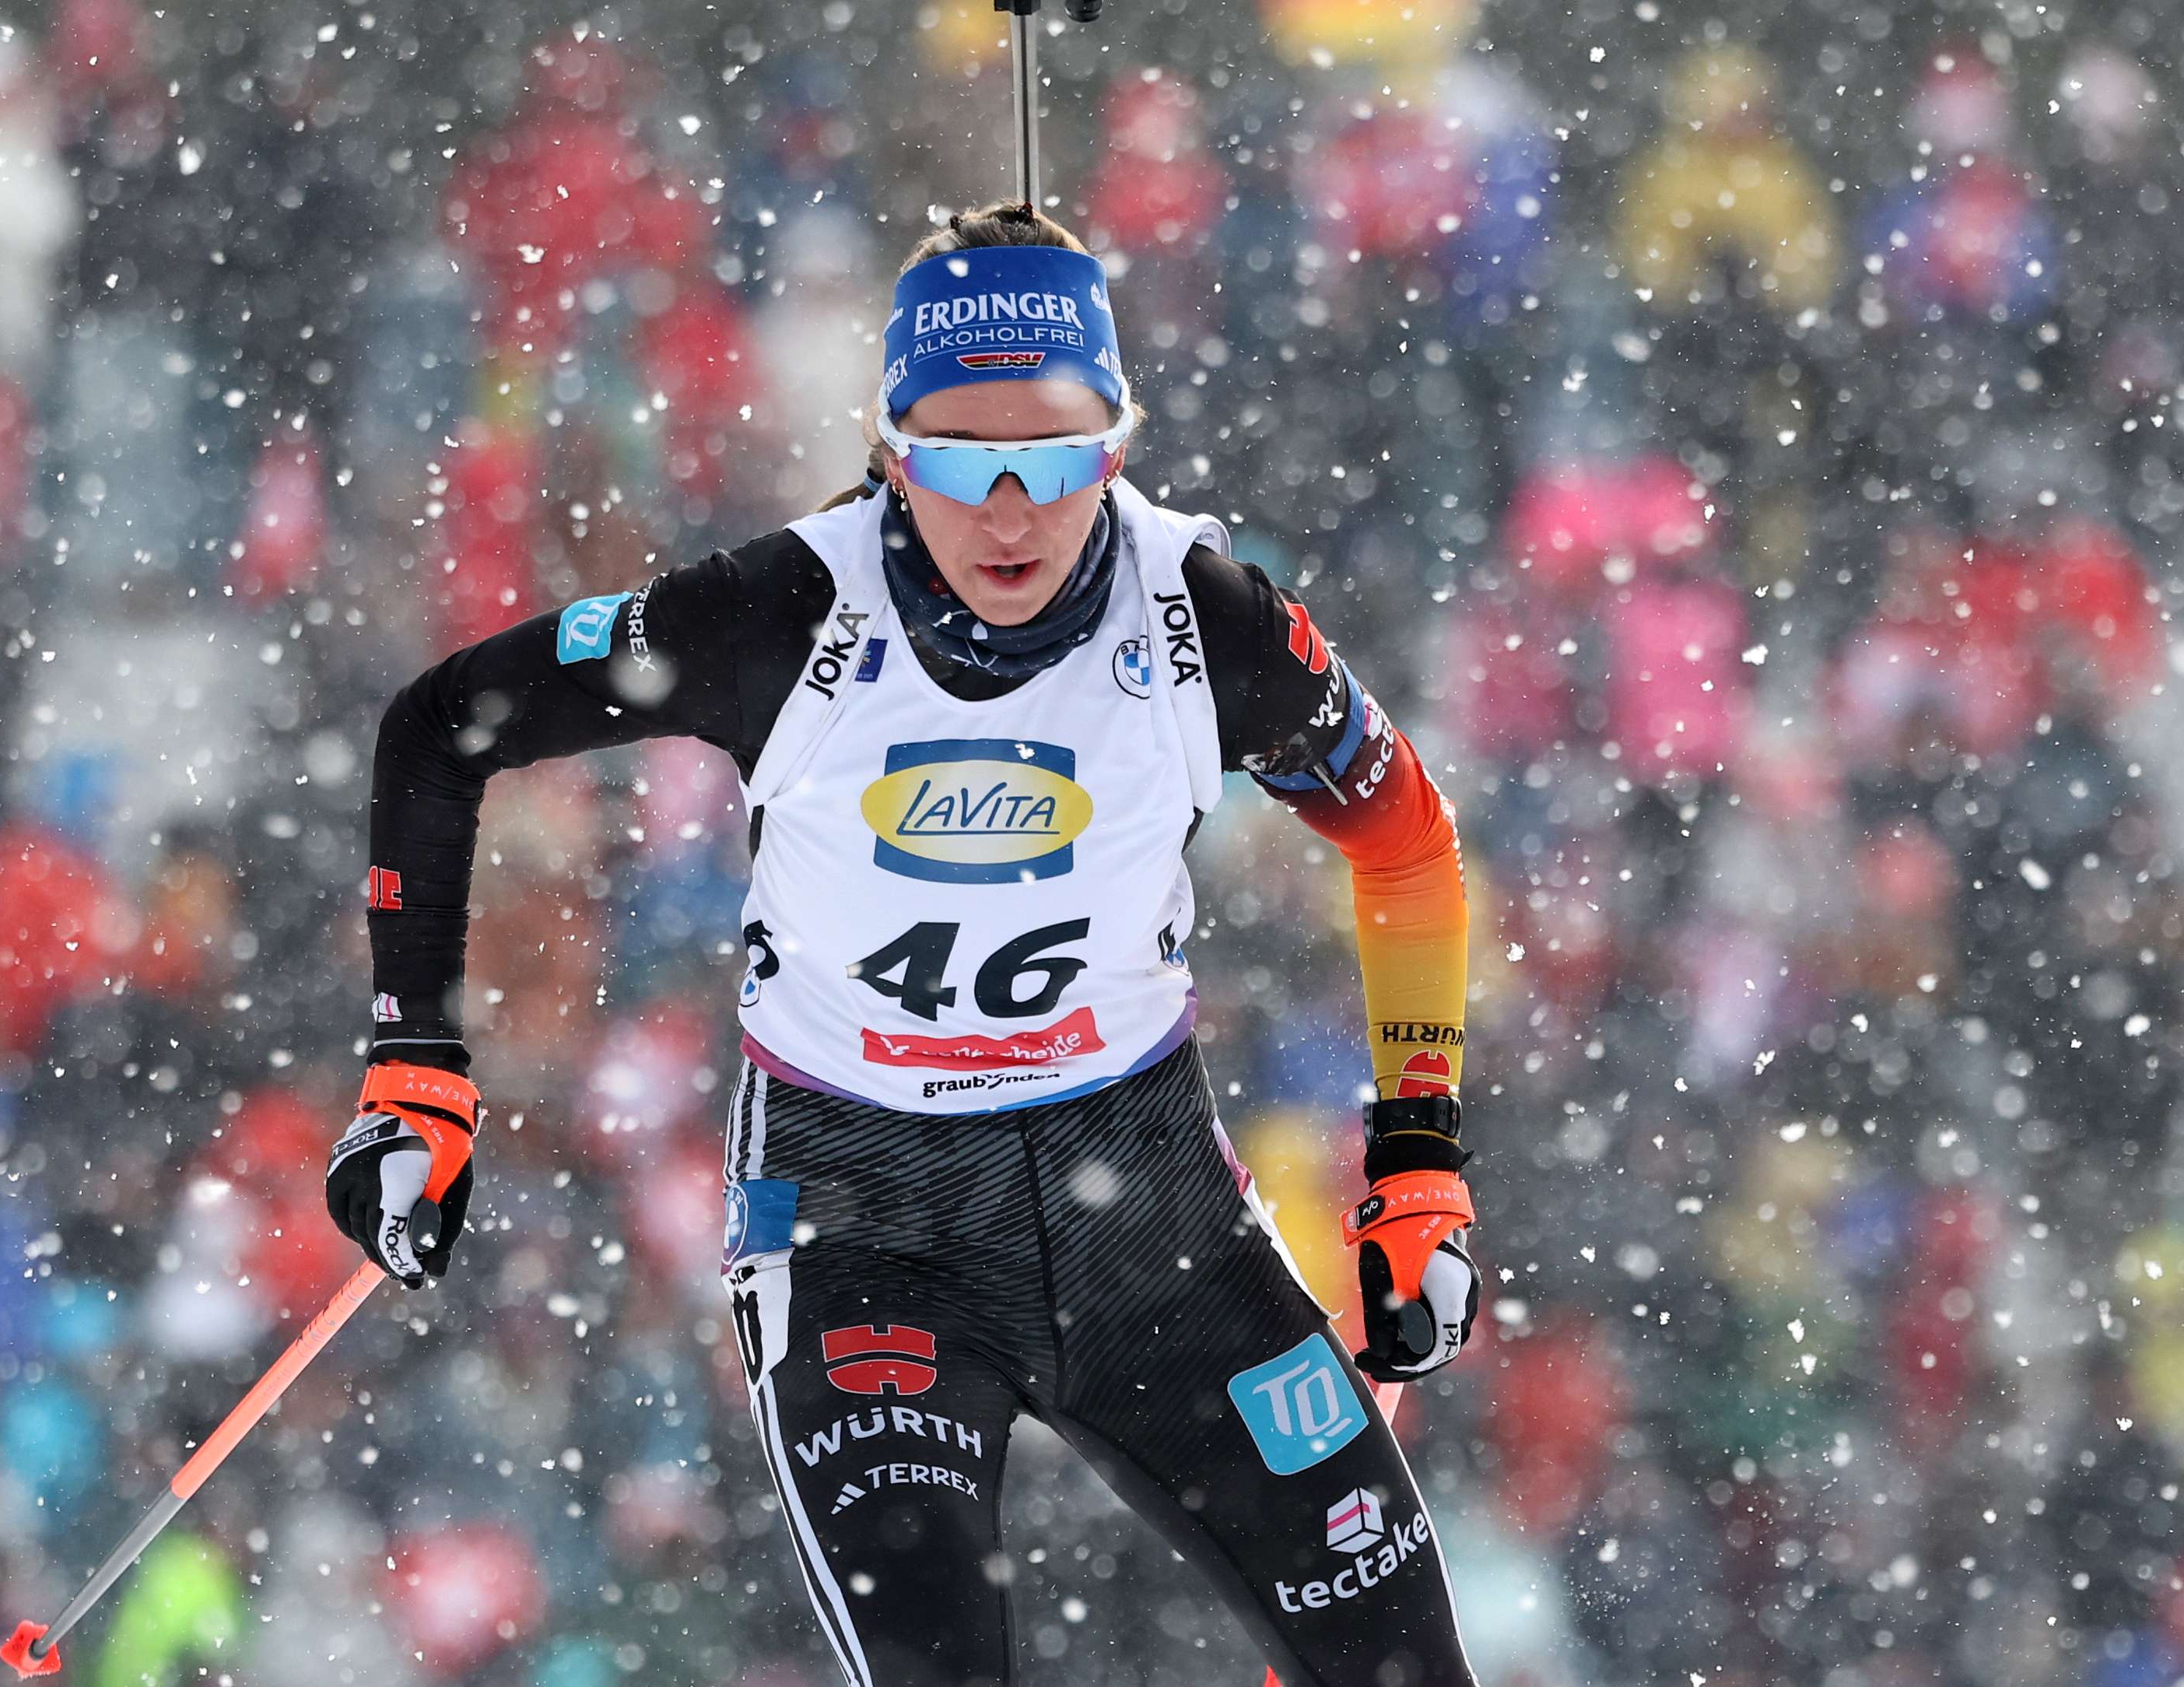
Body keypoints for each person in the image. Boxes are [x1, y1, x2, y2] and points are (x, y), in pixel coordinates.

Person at [328, 202, 1481, 1687]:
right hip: (865, 1218)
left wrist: (1420, 1156)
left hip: (1144, 1208)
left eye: (1054, 462)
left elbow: (1405, 844)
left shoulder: (1207, 623)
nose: (1010, 512)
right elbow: (439, 729)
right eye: (958, 463)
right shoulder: (780, 617)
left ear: (1114, 450)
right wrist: (414, 1069)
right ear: (890, 453)